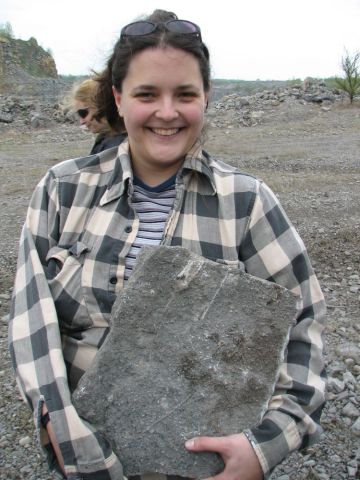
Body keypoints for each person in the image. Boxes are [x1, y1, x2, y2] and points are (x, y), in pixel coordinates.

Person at [8, 8, 326, 480]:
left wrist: (264, 447)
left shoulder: (247, 202)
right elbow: (31, 320)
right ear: (117, 98)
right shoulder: (62, 189)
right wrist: (56, 421)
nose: (167, 112)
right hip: (82, 460)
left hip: (201, 467)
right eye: (146, 94)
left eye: (184, 94)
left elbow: (304, 327)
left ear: (207, 97)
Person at [68, 77, 126, 154]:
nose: (82, 121)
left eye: (83, 113)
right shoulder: (113, 140)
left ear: (101, 106)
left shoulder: (114, 147)